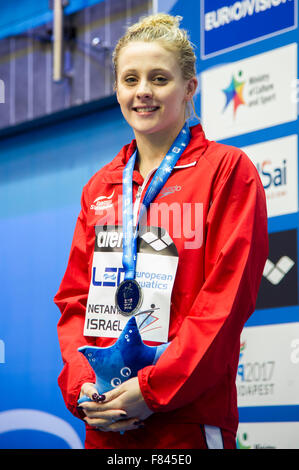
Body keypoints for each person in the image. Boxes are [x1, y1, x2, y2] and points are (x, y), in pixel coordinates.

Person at [54, 13, 268, 449]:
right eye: (130, 79)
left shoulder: (227, 171)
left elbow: (225, 302)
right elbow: (76, 300)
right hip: (105, 416)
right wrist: (82, 389)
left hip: (184, 419)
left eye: (159, 78)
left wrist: (154, 389)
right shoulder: (101, 185)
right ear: (116, 90)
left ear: (190, 87)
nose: (143, 91)